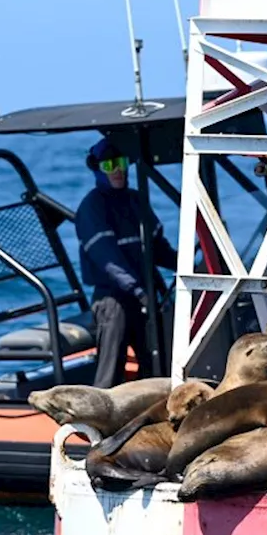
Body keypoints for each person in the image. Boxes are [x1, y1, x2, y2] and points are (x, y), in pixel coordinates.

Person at [75, 138, 178, 388]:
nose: (118, 170)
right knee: (111, 371)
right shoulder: (92, 207)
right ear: (97, 168)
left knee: (160, 363)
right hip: (113, 298)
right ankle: (99, 413)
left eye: (120, 163)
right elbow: (108, 261)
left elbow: (158, 250)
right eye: (109, 165)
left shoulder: (135, 200)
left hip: (146, 295)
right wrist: (139, 292)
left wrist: (189, 265)